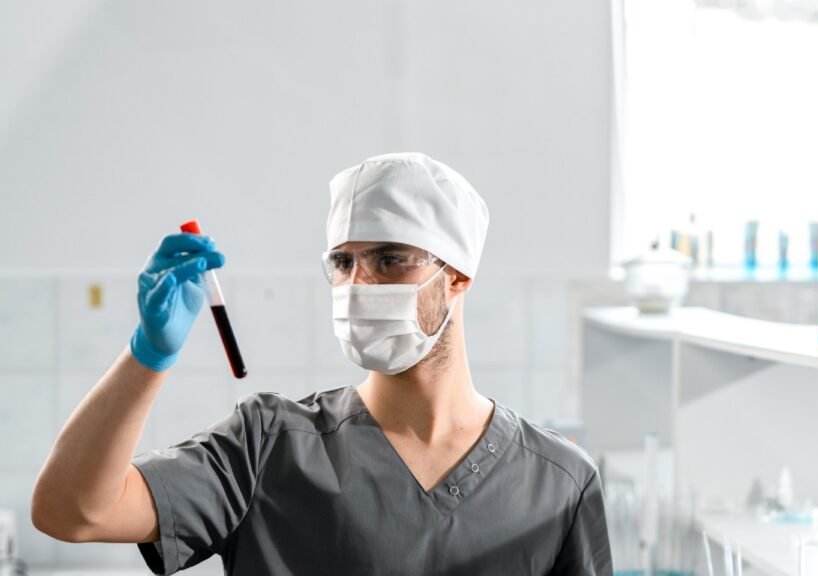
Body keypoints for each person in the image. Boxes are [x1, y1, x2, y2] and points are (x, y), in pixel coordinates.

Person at [32, 152, 612, 575]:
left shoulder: (559, 483)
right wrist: (148, 355)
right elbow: (72, 511)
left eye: (390, 259)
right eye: (343, 262)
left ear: (456, 277)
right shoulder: (268, 445)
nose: (359, 284)